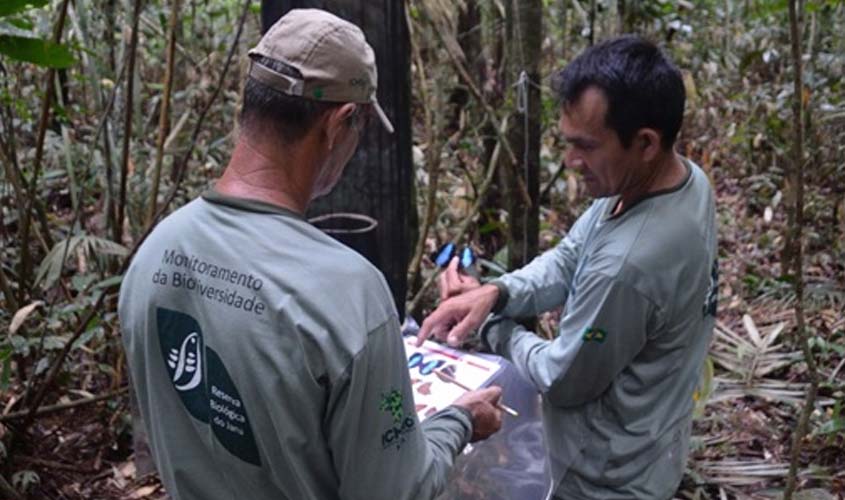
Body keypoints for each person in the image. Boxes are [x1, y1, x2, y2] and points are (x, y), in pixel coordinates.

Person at [119, 9, 502, 500]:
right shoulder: (350, 294)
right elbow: (397, 492)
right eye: (359, 126)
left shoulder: (155, 252)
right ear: (339, 122)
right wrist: (460, 422)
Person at [418, 35, 718, 499]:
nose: (571, 162)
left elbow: (562, 378)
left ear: (645, 143)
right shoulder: (679, 180)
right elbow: (569, 256)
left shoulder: (629, 268)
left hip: (609, 478)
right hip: (647, 440)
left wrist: (492, 328)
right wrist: (496, 294)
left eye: (586, 147)